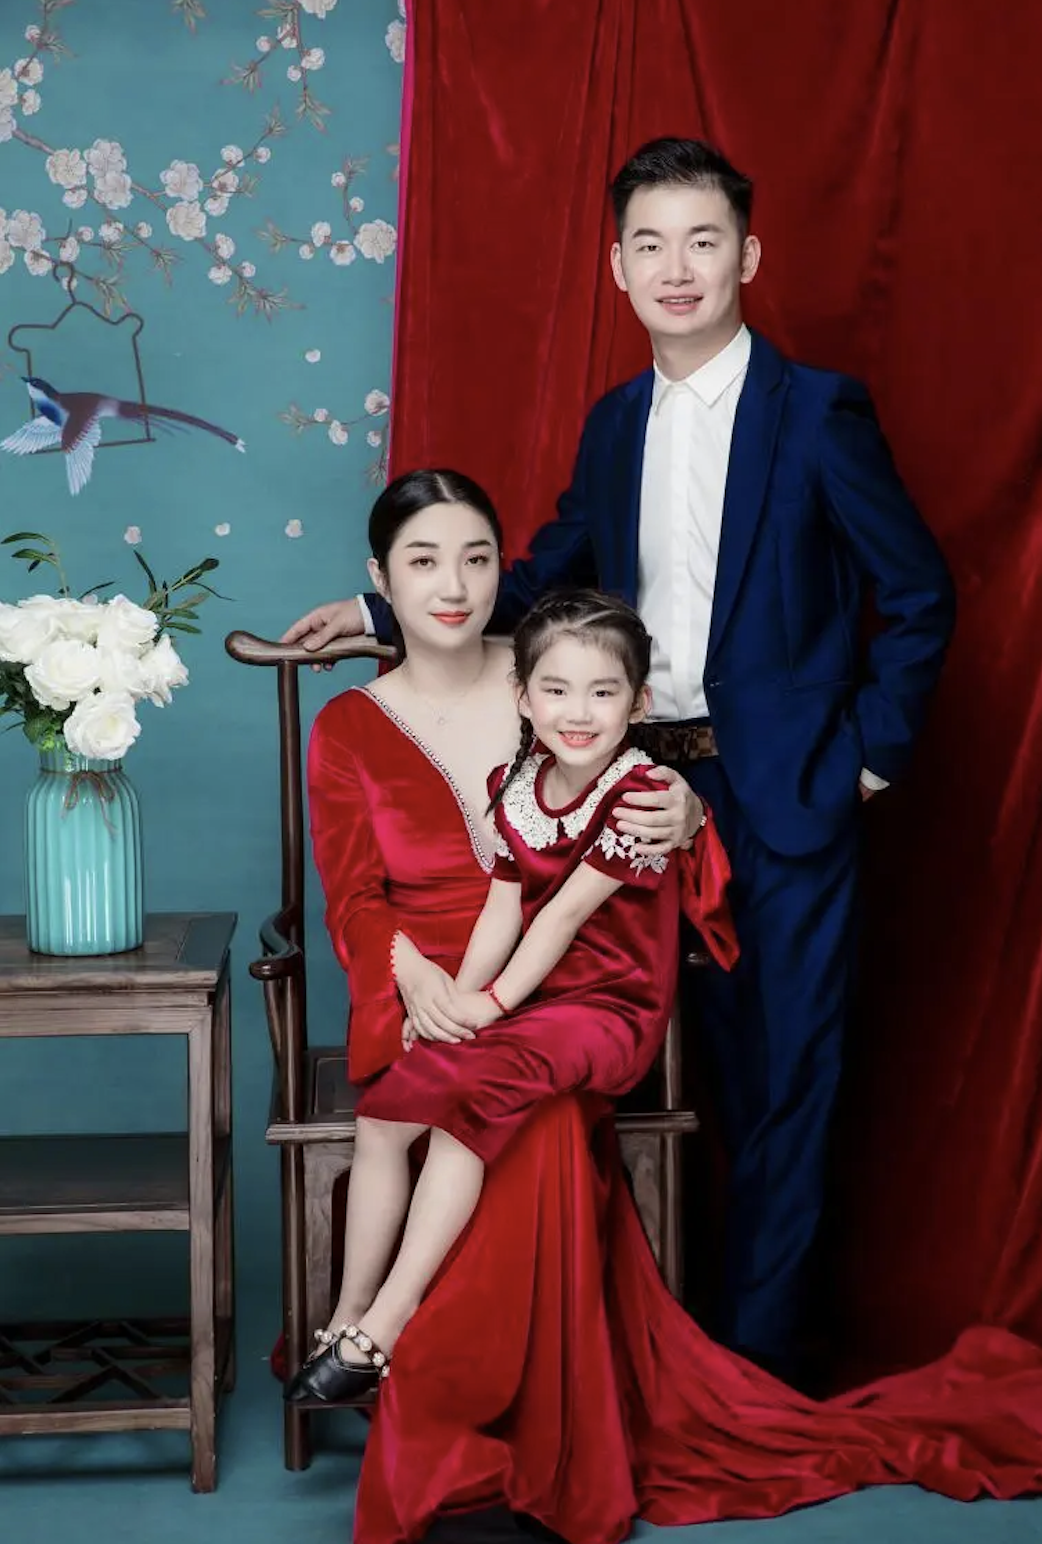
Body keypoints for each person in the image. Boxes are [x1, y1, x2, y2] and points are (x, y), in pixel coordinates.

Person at [282, 136, 957, 1385]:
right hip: (633, 794)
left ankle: (758, 1371)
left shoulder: (818, 412)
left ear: (747, 255)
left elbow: (917, 593)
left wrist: (864, 761)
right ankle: (616, 1352)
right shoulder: (613, 424)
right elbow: (547, 576)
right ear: (616, 268)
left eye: (703, 240)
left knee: (785, 1081)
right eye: (650, 245)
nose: (676, 267)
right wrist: (383, 611)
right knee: (669, 1068)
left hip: (787, 793)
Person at [285, 470, 1042, 1544]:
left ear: (506, 570)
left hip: (564, 995)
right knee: (470, 1112)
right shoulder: (352, 727)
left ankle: (483, 1441)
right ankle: (393, 1363)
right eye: (421, 562)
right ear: (381, 578)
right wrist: (414, 976)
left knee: (530, 1128)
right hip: (425, 989)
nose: (452, 585)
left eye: (475, 558)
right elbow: (357, 898)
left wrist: (687, 810)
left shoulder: (558, 675)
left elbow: (629, 829)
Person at [287, 586, 737, 1405]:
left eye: (603, 693)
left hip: (605, 1006)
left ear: (638, 704)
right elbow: (504, 907)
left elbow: (561, 916)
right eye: (556, 690)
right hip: (534, 995)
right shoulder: (520, 780)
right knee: (386, 1112)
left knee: (467, 1107)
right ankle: (346, 1311)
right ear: (523, 697)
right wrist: (454, 1007)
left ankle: (385, 1324)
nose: (578, 713)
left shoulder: (637, 796)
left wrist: (488, 1010)